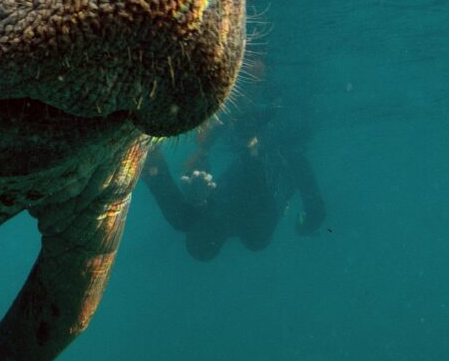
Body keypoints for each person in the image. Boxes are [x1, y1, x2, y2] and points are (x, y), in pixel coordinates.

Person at [140, 100, 326, 261]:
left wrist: (197, 198)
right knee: (256, 239)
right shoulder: (253, 231)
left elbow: (154, 172)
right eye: (208, 230)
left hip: (262, 153)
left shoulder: (189, 217)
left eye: (200, 226)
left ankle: (141, 137)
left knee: (183, 219)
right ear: (218, 240)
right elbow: (272, 179)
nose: (206, 224)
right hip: (279, 157)